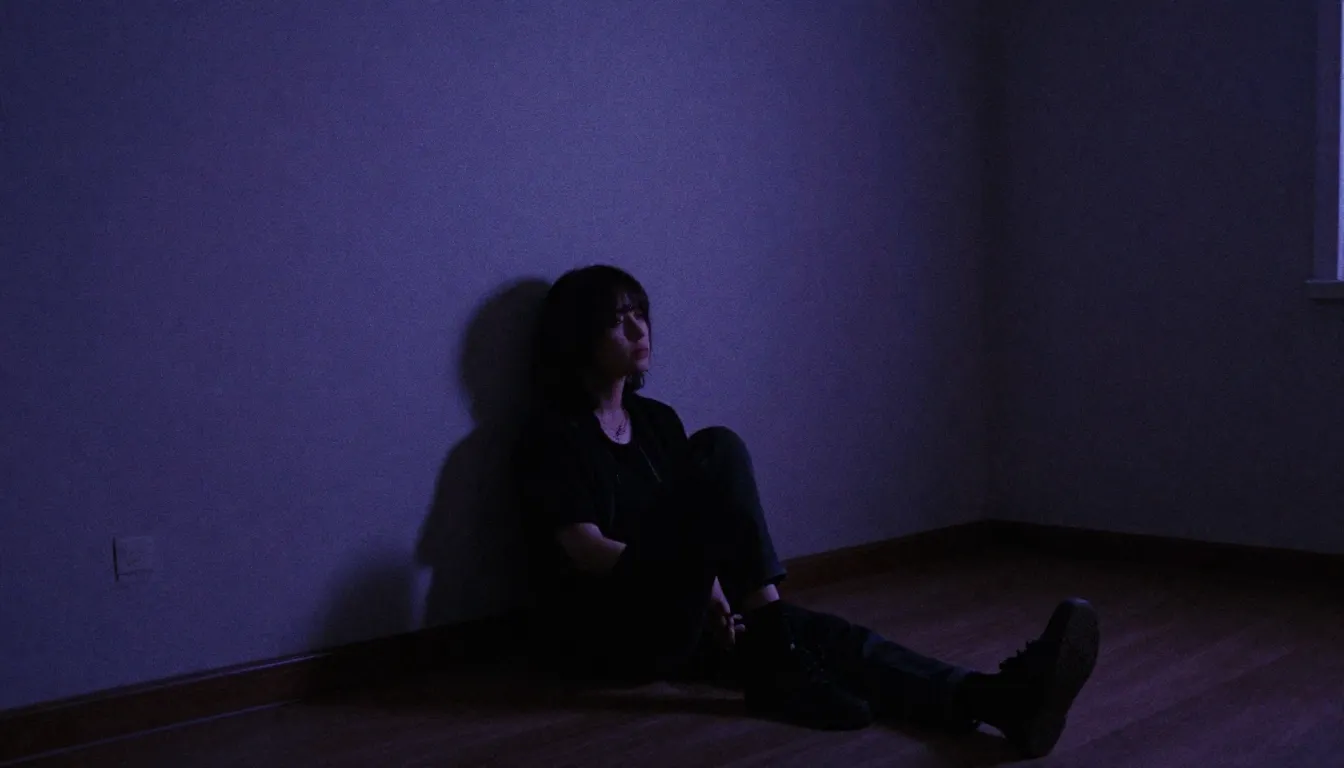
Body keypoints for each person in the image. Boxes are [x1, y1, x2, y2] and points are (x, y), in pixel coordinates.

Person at [513, 265, 1100, 759]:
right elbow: (584, 549)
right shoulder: (554, 434)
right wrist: (691, 582)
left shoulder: (656, 422)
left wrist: (713, 595)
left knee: (829, 641)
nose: (639, 328)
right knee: (718, 449)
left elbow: (696, 530)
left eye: (640, 312)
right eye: (617, 319)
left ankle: (996, 701)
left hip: (681, 615)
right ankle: (775, 650)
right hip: (612, 628)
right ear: (578, 337)